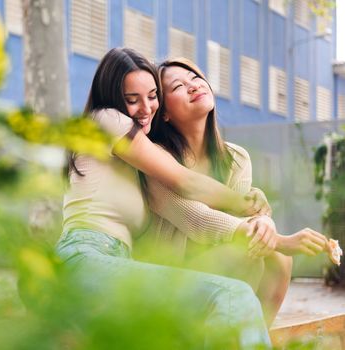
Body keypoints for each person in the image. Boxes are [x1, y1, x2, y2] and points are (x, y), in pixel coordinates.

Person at [56, 48, 272, 348]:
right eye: (132, 100)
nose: (146, 108)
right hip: (85, 258)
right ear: (114, 100)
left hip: (116, 264)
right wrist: (246, 205)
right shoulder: (105, 119)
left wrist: (251, 206)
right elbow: (184, 180)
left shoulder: (136, 158)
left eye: (153, 95)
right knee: (233, 295)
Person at [141, 57, 329, 325]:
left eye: (195, 78)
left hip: (220, 268)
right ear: (165, 113)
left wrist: (263, 221)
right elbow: (198, 221)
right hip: (169, 281)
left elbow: (246, 221)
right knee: (258, 252)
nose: (193, 86)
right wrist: (281, 240)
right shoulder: (158, 158)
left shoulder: (236, 158)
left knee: (275, 258)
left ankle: (255, 337)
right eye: (177, 87)